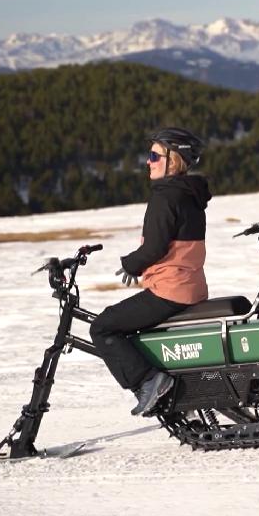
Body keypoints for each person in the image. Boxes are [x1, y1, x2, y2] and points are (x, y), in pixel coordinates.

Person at [89, 127, 211, 416]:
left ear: (174, 160)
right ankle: (173, 391)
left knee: (103, 327)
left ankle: (150, 382)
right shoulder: (190, 195)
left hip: (170, 289)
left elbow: (154, 247)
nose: (148, 162)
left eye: (155, 156)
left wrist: (131, 264)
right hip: (190, 286)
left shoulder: (165, 197)